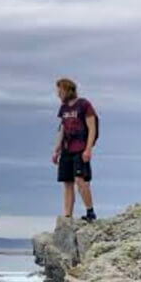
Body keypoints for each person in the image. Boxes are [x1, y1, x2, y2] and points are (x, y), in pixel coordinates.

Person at [51, 77, 98, 222]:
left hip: (80, 148)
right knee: (67, 182)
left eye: (60, 90)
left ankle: (90, 211)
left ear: (67, 90)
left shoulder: (84, 105)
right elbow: (62, 129)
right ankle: (67, 215)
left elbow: (92, 128)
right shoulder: (64, 108)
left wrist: (88, 149)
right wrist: (56, 149)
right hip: (67, 149)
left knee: (80, 180)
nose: (58, 94)